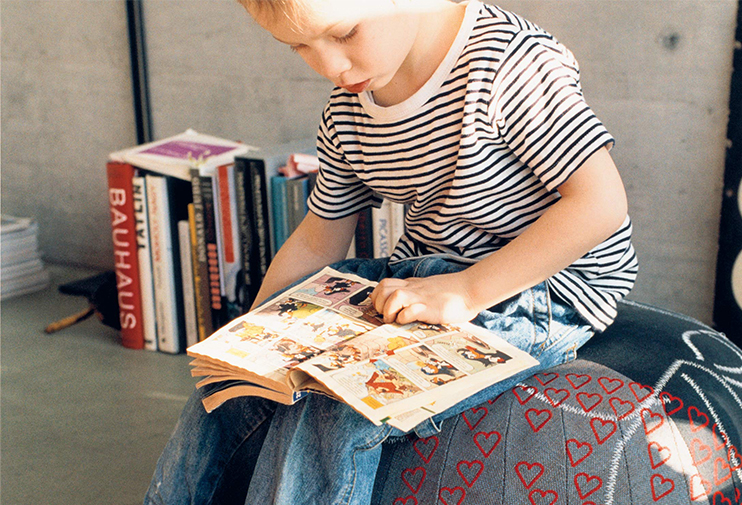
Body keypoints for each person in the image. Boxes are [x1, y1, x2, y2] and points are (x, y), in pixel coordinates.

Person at [145, 0, 638, 504]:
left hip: (545, 288)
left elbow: (600, 205)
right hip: (421, 277)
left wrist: (467, 291)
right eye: (298, 47)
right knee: (225, 390)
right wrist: (251, 343)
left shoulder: (510, 65)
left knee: (344, 398)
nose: (330, 66)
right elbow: (319, 237)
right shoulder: (347, 109)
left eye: (345, 34)